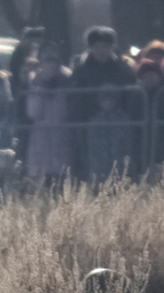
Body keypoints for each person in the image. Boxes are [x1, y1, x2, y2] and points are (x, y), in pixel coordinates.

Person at [71, 26, 139, 177]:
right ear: (90, 48)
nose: (101, 50)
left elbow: (132, 93)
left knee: (122, 159)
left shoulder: (123, 69)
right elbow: (76, 97)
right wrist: (94, 108)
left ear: (112, 47)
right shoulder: (82, 71)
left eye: (105, 46)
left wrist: (119, 106)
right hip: (92, 121)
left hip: (120, 120)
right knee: (96, 161)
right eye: (97, 46)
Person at [25, 51, 72, 181]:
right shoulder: (35, 83)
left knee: (62, 175)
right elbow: (33, 112)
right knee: (41, 176)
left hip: (62, 132)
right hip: (41, 133)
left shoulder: (67, 82)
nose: (51, 66)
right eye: (47, 62)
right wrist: (40, 89)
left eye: (54, 62)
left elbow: (69, 109)